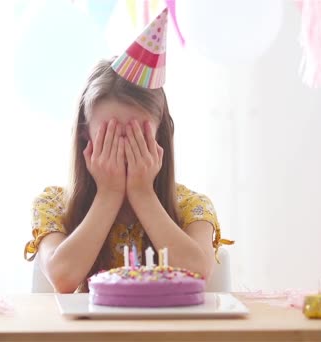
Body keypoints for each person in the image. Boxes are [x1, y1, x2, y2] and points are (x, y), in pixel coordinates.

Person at [23, 8, 232, 293]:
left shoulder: (190, 206)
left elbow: (198, 274)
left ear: (160, 136)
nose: (124, 148)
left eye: (137, 135)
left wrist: (143, 193)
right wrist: (108, 194)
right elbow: (63, 277)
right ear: (86, 134)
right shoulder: (53, 204)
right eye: (110, 134)